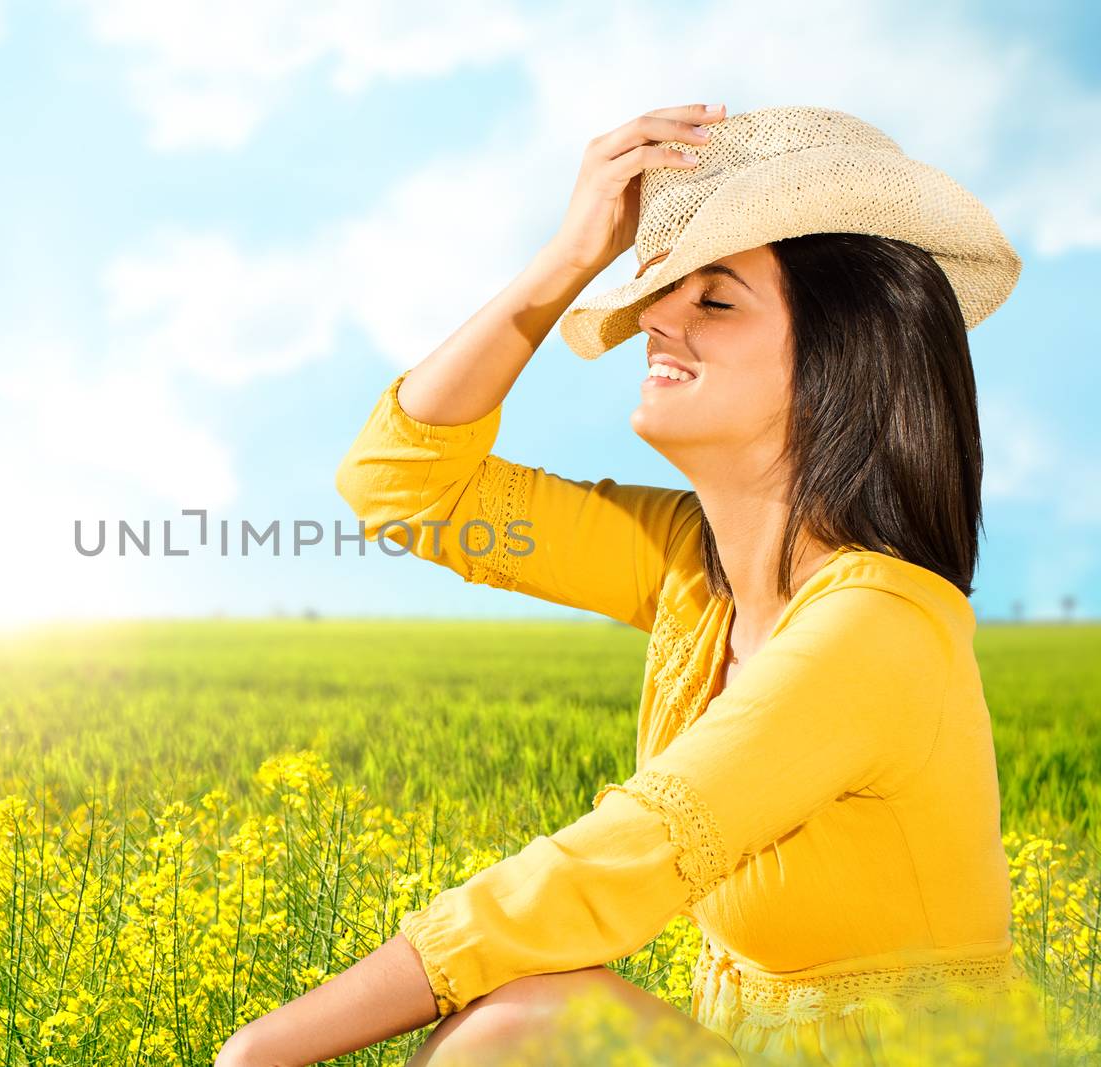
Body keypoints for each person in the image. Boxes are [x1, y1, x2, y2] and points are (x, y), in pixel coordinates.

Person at [214, 103, 1045, 1066]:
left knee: (530, 1023)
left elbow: (627, 854)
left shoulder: (879, 626)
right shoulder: (693, 569)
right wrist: (562, 261)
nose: (653, 314)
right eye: (665, 290)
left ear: (836, 363)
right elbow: (403, 486)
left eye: (716, 300)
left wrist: (261, 1049)